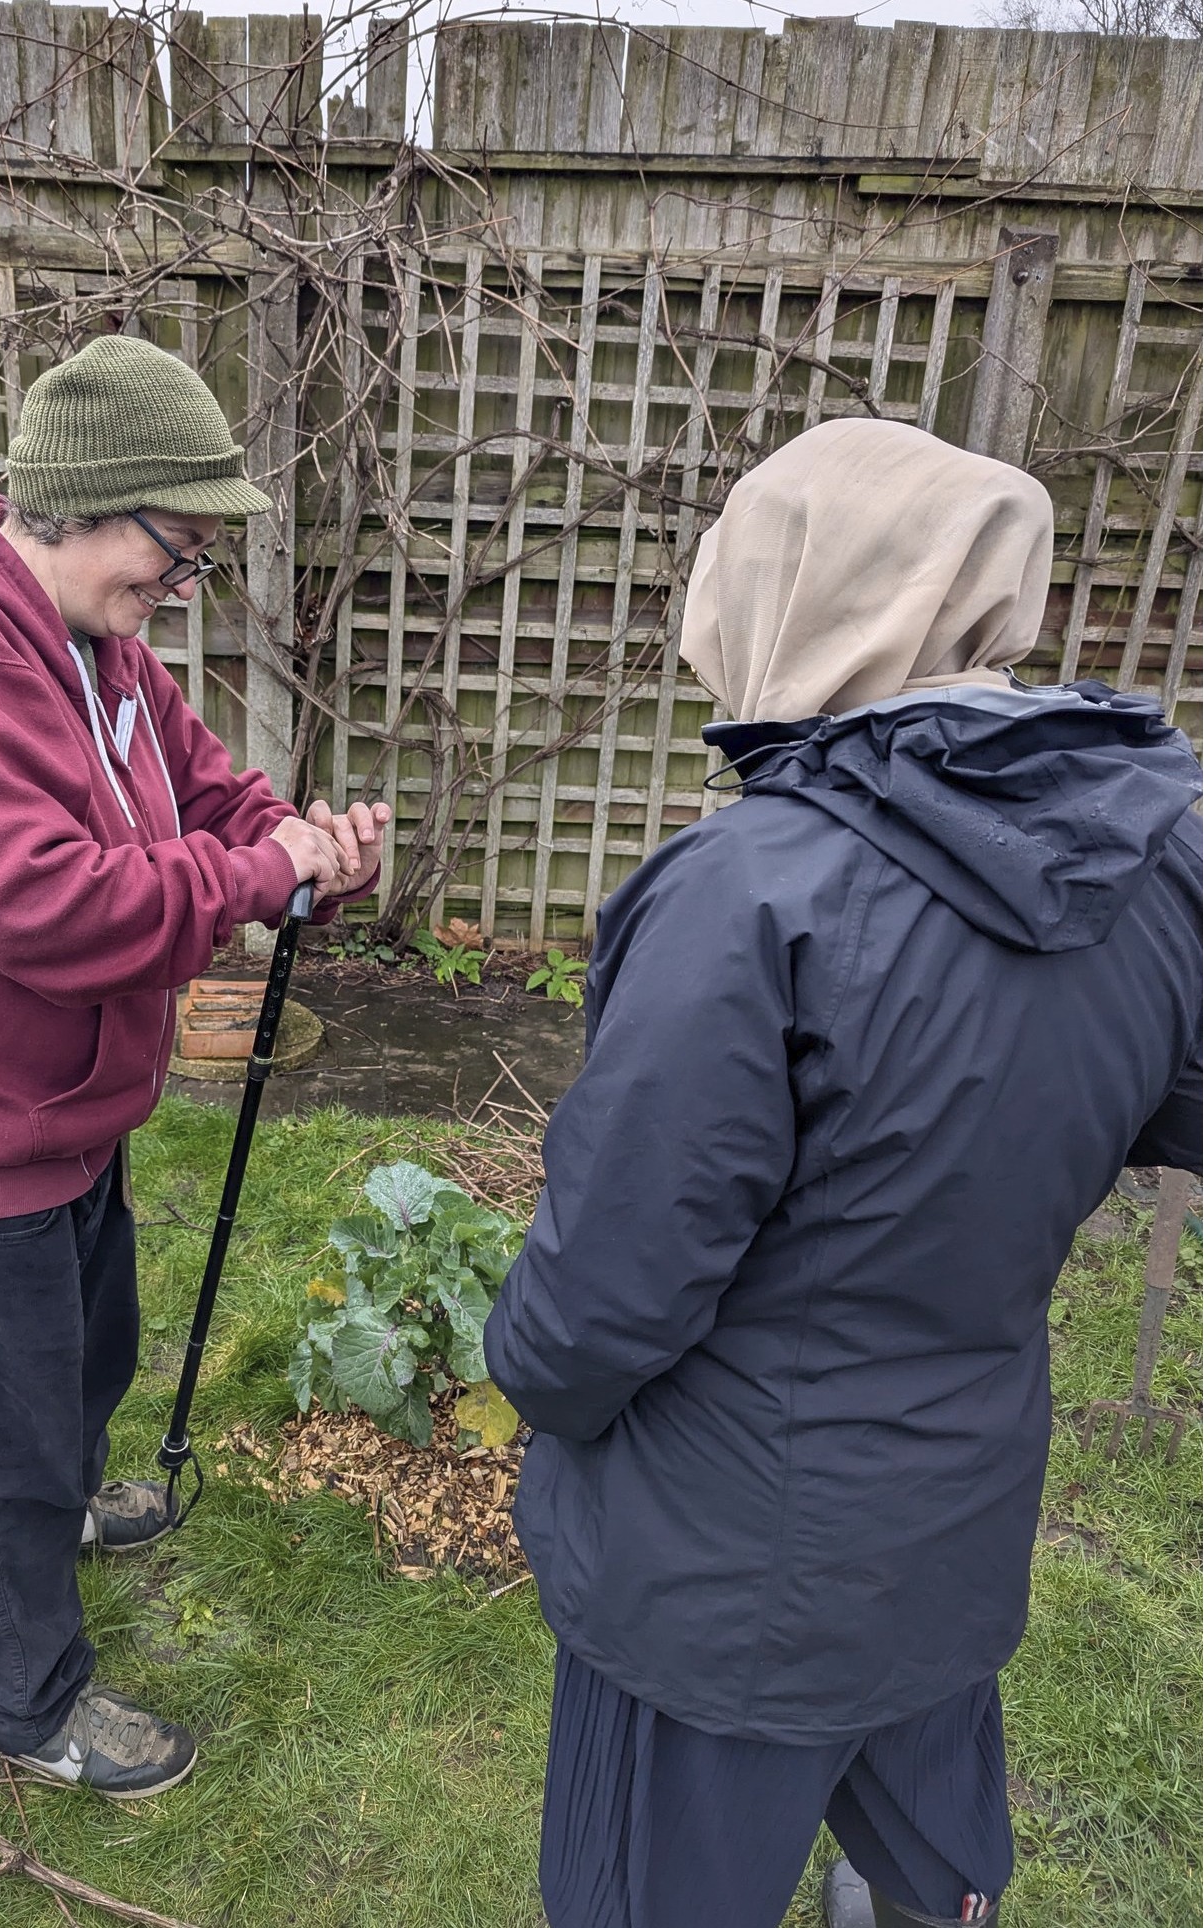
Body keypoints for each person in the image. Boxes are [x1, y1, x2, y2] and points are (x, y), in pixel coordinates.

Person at [483, 418, 1202, 1928]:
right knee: (929, 1843)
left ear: (797, 596)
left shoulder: (753, 893)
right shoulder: (1151, 853)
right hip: (953, 1501)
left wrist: (532, 1380)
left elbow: (605, 1297)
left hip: (718, 1568)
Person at [0, 334, 392, 1799]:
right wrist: (252, 878)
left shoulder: (98, 650)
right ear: (83, 501)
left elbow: (208, 786)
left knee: (87, 1359)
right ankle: (27, 1700)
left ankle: (65, 1504)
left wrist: (302, 849)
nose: (175, 588)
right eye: (172, 550)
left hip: (64, 1116)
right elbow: (31, 901)